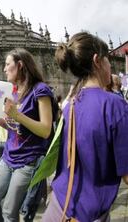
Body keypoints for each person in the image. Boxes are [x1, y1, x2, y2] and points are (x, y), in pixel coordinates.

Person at [42, 32, 128, 222]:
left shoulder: (70, 105)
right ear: (97, 60)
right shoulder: (114, 104)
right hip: (87, 212)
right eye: (108, 61)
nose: (110, 66)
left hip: (59, 204)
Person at [0, 48, 56, 222]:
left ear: (20, 65)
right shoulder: (13, 92)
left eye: (8, 64)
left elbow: (45, 130)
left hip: (28, 161)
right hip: (8, 157)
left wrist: (17, 115)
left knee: (9, 212)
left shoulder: (40, 90)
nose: (4, 69)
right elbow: (13, 127)